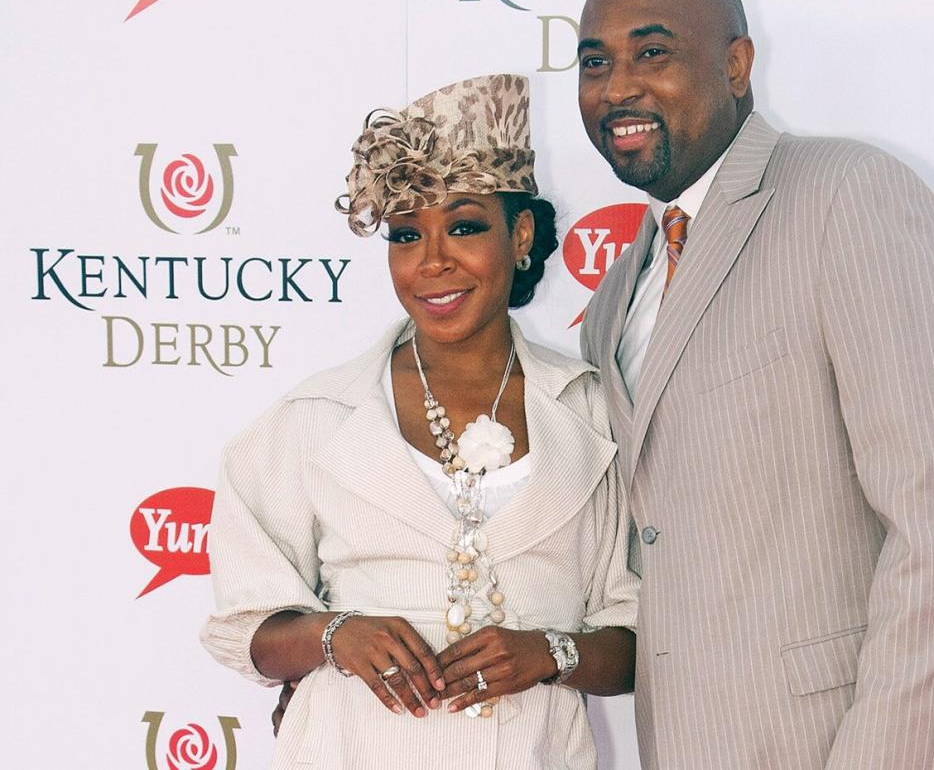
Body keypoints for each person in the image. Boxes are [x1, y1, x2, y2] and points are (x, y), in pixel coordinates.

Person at [575, 0, 934, 769]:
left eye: (652, 52)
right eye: (594, 63)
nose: (618, 87)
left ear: (736, 64)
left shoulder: (846, 194)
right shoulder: (619, 294)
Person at [202, 74, 638, 770]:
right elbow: (243, 628)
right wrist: (334, 633)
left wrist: (551, 652)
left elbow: (639, 643)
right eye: (407, 234)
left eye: (465, 225)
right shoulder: (316, 418)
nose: (433, 261)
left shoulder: (594, 413)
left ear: (520, 232)